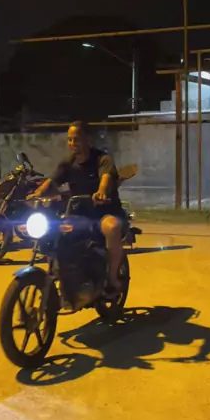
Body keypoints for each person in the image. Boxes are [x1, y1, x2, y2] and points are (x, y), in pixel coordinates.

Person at [30, 121, 124, 295]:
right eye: (70, 139)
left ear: (88, 139)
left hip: (104, 212)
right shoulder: (67, 163)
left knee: (112, 227)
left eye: (77, 139)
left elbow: (106, 178)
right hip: (79, 214)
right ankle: (61, 272)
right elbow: (51, 182)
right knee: (53, 230)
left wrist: (101, 193)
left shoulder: (102, 159)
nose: (73, 143)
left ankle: (112, 279)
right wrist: (37, 194)